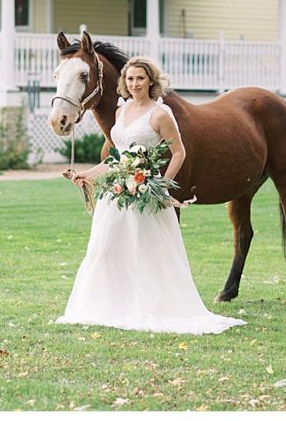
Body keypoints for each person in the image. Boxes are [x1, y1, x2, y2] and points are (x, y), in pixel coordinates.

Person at [56, 56, 245, 334]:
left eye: (140, 79)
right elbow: (118, 158)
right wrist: (87, 174)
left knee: (147, 254)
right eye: (130, 79)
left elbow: (179, 151)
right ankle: (107, 305)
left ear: (151, 82)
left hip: (147, 192)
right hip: (118, 194)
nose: (134, 84)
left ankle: (150, 307)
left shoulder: (160, 114)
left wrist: (163, 184)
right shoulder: (121, 112)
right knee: (105, 249)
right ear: (124, 82)